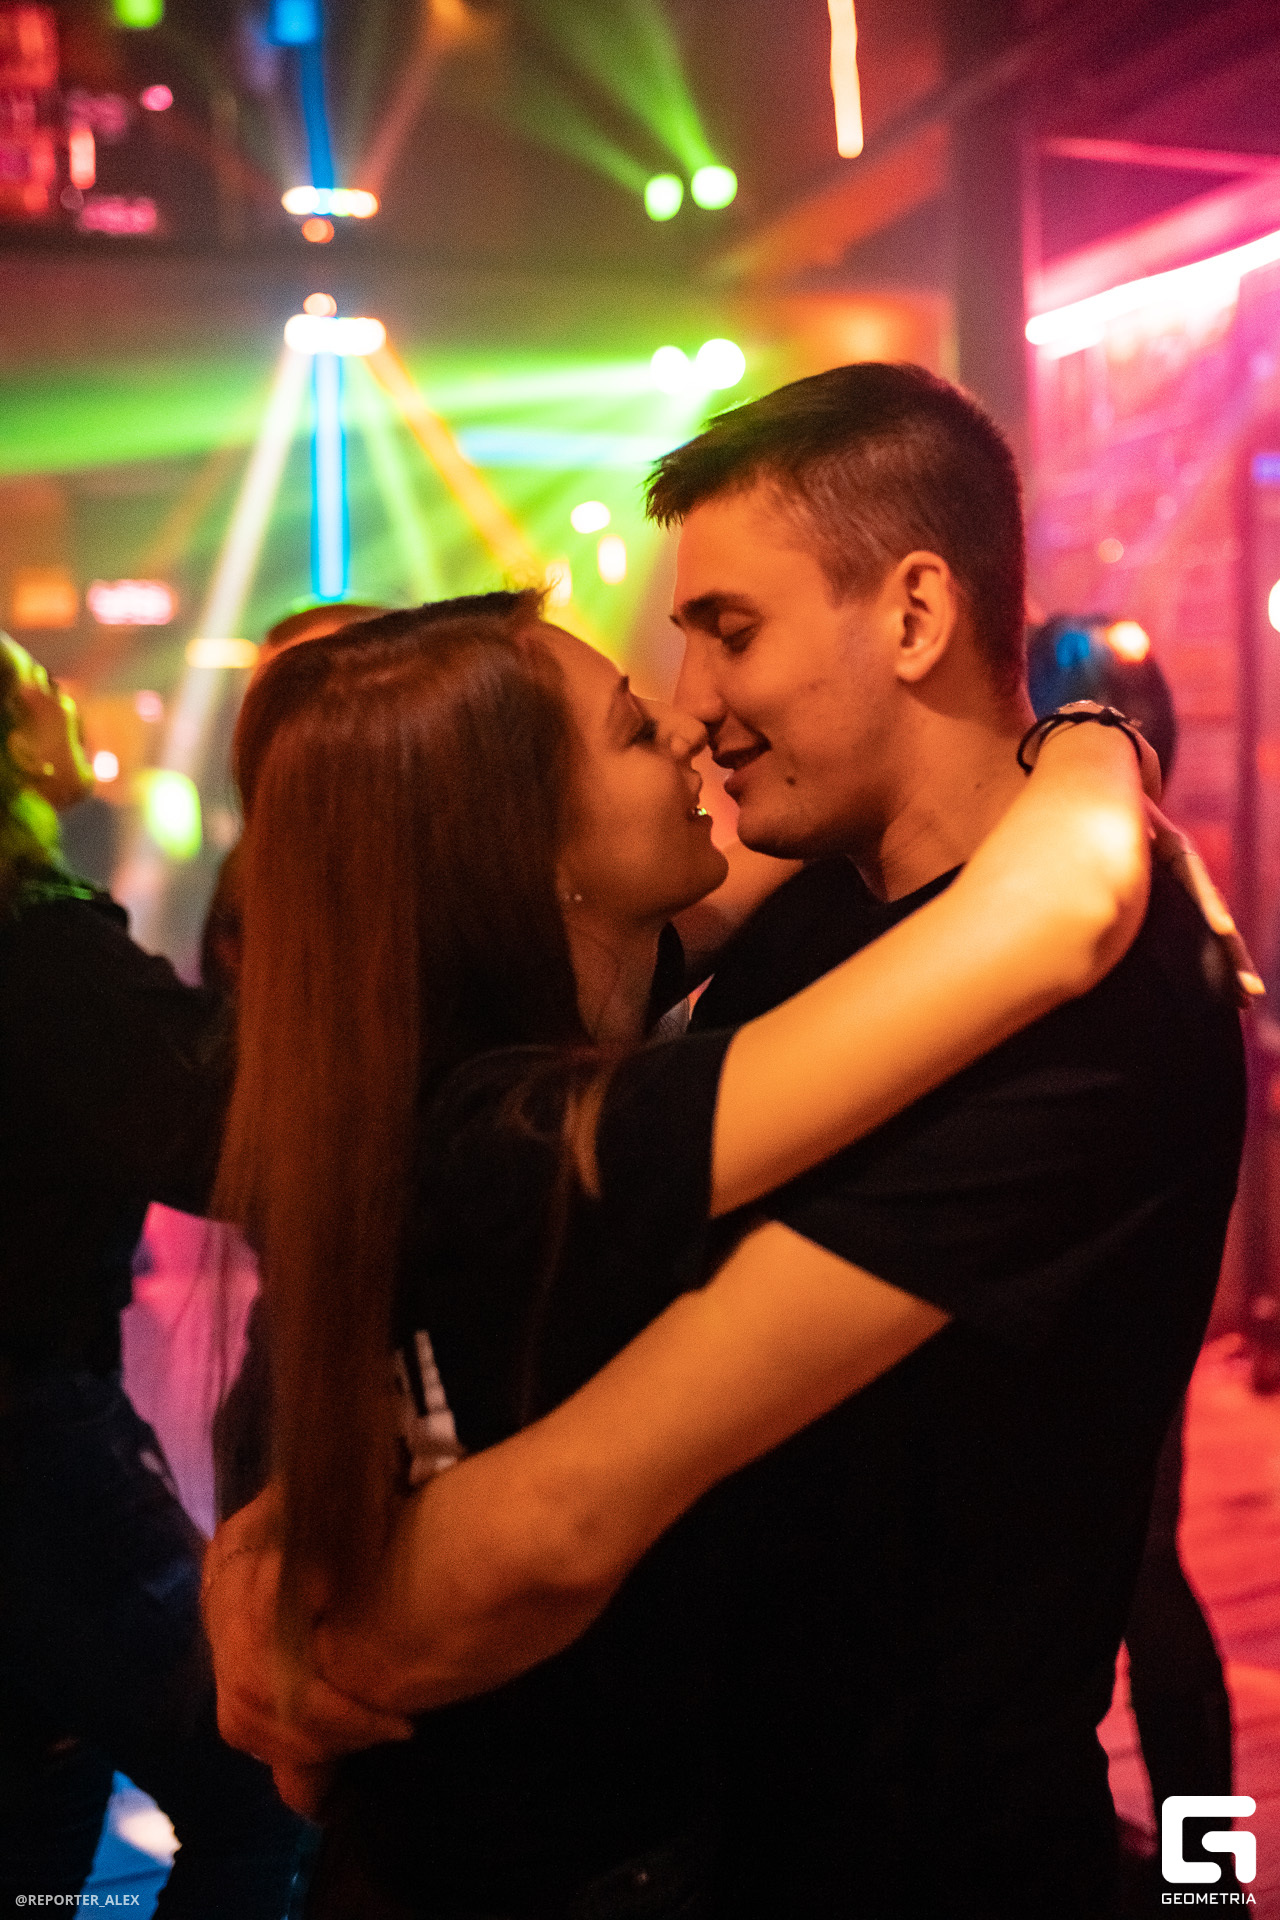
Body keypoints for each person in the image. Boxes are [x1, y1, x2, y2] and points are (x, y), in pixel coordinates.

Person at [207, 366, 1246, 1920]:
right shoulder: (810, 907)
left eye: (730, 630)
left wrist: (317, 1634)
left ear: (913, 615)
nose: (691, 702)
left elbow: (565, 1516)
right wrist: (272, 1543)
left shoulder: (1086, 1005)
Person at [0, 634, 305, 1912]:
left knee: (37, 1791)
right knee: (258, 1792)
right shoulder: (43, 947)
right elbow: (222, 1128)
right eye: (36, 688)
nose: (68, 699)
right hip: (33, 1432)